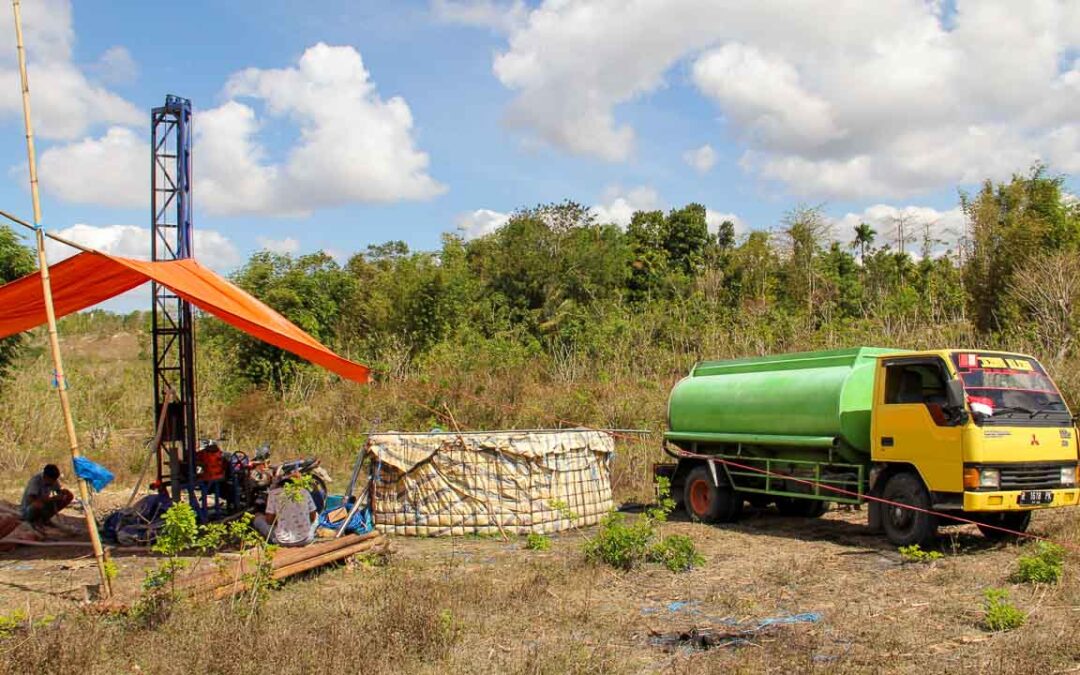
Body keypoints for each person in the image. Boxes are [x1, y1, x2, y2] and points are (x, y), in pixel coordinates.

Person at [252, 474, 317, 547]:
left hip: (281, 541)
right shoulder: (304, 491)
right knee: (317, 515)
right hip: (306, 539)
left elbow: (269, 521)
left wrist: (281, 521)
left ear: (278, 485)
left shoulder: (273, 494)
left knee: (257, 518)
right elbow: (313, 517)